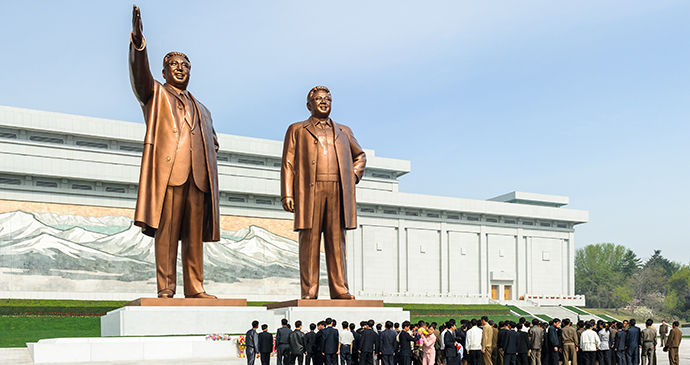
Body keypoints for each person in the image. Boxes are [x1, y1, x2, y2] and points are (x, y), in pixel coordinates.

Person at [128, 4, 219, 299]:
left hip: (199, 178)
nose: (180, 68)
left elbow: (212, 141)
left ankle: (195, 287)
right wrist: (139, 44)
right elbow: (140, 77)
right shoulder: (155, 94)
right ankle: (166, 288)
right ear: (165, 70)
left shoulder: (203, 108)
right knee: (167, 234)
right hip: (170, 173)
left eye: (185, 65)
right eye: (174, 64)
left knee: (194, 237)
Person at [280, 86, 366, 300]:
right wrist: (287, 194)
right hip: (310, 191)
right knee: (309, 241)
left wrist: (352, 177)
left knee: (337, 242)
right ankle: (309, 291)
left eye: (327, 99)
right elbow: (288, 163)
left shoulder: (344, 131)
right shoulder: (297, 129)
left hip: (337, 190)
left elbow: (360, 156)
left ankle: (340, 289)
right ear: (309, 105)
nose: (324, 102)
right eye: (318, 99)